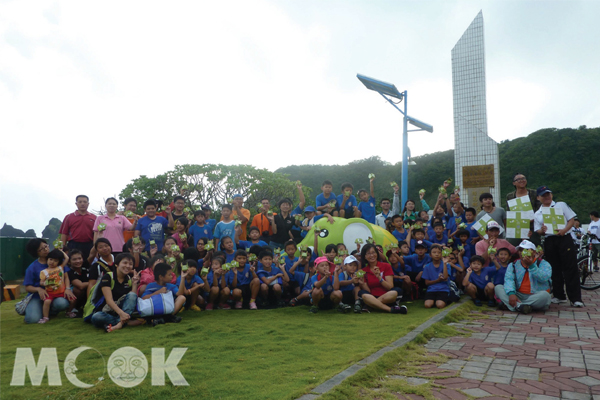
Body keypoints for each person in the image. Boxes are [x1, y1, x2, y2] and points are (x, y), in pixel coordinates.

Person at [533, 186, 583, 307]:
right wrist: (542, 230)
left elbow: (571, 220)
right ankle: (559, 295)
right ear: (538, 197)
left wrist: (564, 230)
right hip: (550, 240)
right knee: (554, 268)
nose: (547, 197)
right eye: (543, 195)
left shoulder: (561, 205)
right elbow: (537, 230)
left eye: (548, 194)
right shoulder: (537, 213)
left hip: (564, 238)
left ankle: (575, 298)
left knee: (570, 267)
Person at [22, 239, 74, 323]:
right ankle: (33, 308)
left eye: (46, 246)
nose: (46, 249)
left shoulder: (57, 260)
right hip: (38, 296)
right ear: (36, 253)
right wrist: (39, 289)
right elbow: (27, 287)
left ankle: (49, 311)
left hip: (56, 293)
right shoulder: (32, 267)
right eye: (41, 249)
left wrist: (68, 288)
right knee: (32, 319)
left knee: (62, 304)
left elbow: (66, 276)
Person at [89, 253, 143, 332]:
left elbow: (132, 298)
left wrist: (134, 283)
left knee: (132, 295)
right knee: (96, 317)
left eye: (130, 264)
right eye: (125, 263)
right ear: (117, 264)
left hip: (121, 309)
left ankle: (119, 324)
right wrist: (122, 314)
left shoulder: (128, 279)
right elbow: (109, 300)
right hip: (107, 310)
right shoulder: (108, 277)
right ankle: (126, 322)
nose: (127, 266)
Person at [494, 240, 552, 314]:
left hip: (535, 295)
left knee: (545, 296)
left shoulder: (543, 264)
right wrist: (511, 293)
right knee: (498, 288)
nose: (522, 253)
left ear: (534, 252)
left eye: (526, 250)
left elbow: (544, 278)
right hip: (518, 295)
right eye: (520, 250)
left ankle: (515, 305)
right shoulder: (513, 264)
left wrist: (532, 265)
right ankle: (521, 306)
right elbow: (509, 280)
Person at [355, 243, 407, 314]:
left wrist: (379, 278)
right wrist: (362, 283)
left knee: (396, 291)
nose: (372, 255)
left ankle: (371, 305)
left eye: (373, 252)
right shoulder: (363, 271)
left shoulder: (386, 266)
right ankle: (390, 309)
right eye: (368, 253)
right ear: (365, 257)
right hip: (372, 296)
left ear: (377, 254)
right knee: (362, 293)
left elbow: (390, 287)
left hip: (387, 295)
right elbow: (368, 291)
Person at [59, 195, 97, 261]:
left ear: (88, 204)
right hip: (73, 244)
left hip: (89, 245)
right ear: (76, 204)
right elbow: (64, 233)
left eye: (85, 202)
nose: (82, 204)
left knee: (88, 264)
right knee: (73, 263)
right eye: (80, 202)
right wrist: (63, 248)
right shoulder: (69, 217)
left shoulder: (94, 217)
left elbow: (96, 233)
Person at [37, 249, 70, 323]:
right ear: (47, 259)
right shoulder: (44, 272)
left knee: (72, 299)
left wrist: (60, 250)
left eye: (55, 260)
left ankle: (69, 312)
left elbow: (67, 258)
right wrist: (45, 283)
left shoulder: (60, 268)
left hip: (61, 291)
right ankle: (45, 317)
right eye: (50, 259)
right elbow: (41, 282)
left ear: (59, 262)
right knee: (47, 302)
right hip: (50, 292)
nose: (52, 262)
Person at [422, 245, 450, 309]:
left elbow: (445, 277)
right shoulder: (427, 266)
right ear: (430, 255)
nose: (437, 254)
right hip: (432, 289)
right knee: (427, 305)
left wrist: (445, 263)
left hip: (443, 289)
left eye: (439, 252)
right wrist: (437, 280)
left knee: (440, 305)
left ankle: (444, 300)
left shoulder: (446, 264)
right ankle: (435, 300)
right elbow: (427, 282)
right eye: (434, 252)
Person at [65, 249, 89, 318]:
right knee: (77, 289)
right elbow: (80, 286)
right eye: (74, 259)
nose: (78, 261)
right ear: (69, 262)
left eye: (79, 258)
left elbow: (92, 255)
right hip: (71, 295)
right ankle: (72, 309)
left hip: (86, 292)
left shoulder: (85, 266)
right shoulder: (69, 271)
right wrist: (96, 282)